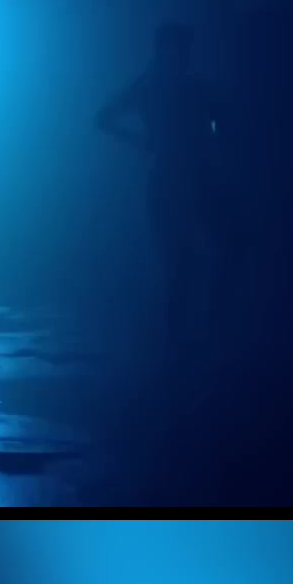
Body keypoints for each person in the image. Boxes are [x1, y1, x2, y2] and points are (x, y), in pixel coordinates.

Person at [96, 21, 240, 343]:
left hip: (190, 179)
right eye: (175, 51)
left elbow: (223, 125)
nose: (178, 58)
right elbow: (103, 118)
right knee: (181, 263)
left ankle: (203, 330)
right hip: (174, 181)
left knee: (206, 253)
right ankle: (190, 338)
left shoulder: (175, 89)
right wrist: (143, 141)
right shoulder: (159, 89)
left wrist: (145, 141)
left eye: (180, 52)